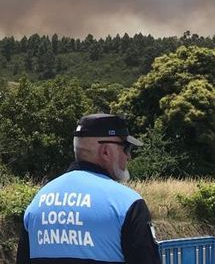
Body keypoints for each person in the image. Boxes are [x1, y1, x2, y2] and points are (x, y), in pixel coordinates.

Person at [17, 113, 161, 264]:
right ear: (105, 151)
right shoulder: (127, 204)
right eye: (126, 148)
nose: (128, 156)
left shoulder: (38, 202)